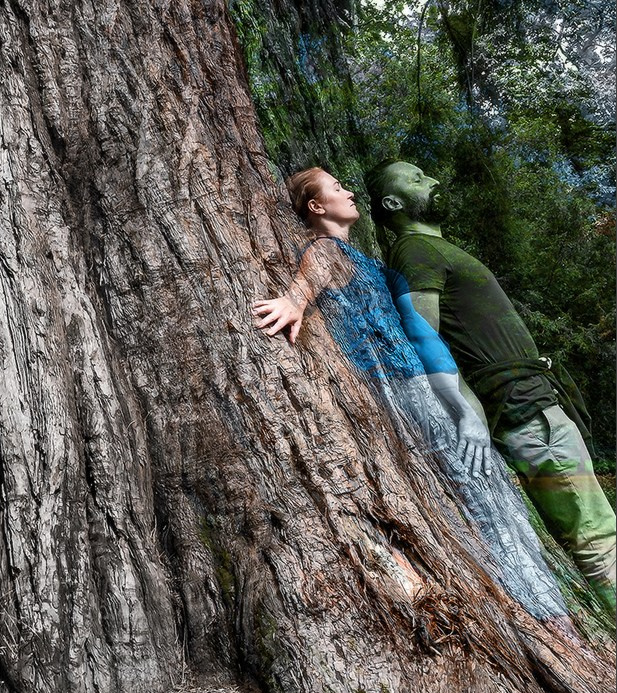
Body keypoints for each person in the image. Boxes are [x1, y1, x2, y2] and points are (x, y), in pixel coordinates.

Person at [253, 167, 571, 626]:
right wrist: (293, 300)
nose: (348, 190)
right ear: (317, 206)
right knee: (478, 497)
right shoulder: (326, 249)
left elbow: (424, 336)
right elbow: (315, 269)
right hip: (403, 394)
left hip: (415, 393)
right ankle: (540, 612)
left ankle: (542, 608)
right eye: (336, 187)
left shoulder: (377, 266)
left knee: (484, 494)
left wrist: (464, 410)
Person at [366, 158, 616, 619]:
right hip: (524, 413)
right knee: (595, 532)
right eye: (417, 178)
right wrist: (468, 409)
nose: (435, 178)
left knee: (598, 527)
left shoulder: (433, 248)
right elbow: (422, 334)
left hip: (536, 403)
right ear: (392, 202)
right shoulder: (414, 250)